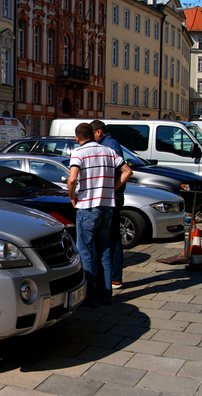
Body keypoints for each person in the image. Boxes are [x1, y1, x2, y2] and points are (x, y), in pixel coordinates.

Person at [68, 123, 132, 306]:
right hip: (107, 206)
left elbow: (72, 179)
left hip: (88, 207)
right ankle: (106, 295)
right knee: (104, 250)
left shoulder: (79, 153)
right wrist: (112, 188)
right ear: (93, 134)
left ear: (77, 138)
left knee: (86, 250)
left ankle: (89, 297)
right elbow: (127, 171)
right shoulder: (108, 151)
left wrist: (72, 196)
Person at [90, 120, 126, 291]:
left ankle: (114, 278)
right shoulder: (110, 144)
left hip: (112, 198)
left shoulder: (110, 146)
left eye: (93, 135)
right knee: (112, 238)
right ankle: (113, 278)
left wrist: (111, 189)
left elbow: (121, 170)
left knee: (111, 239)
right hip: (113, 196)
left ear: (99, 132)